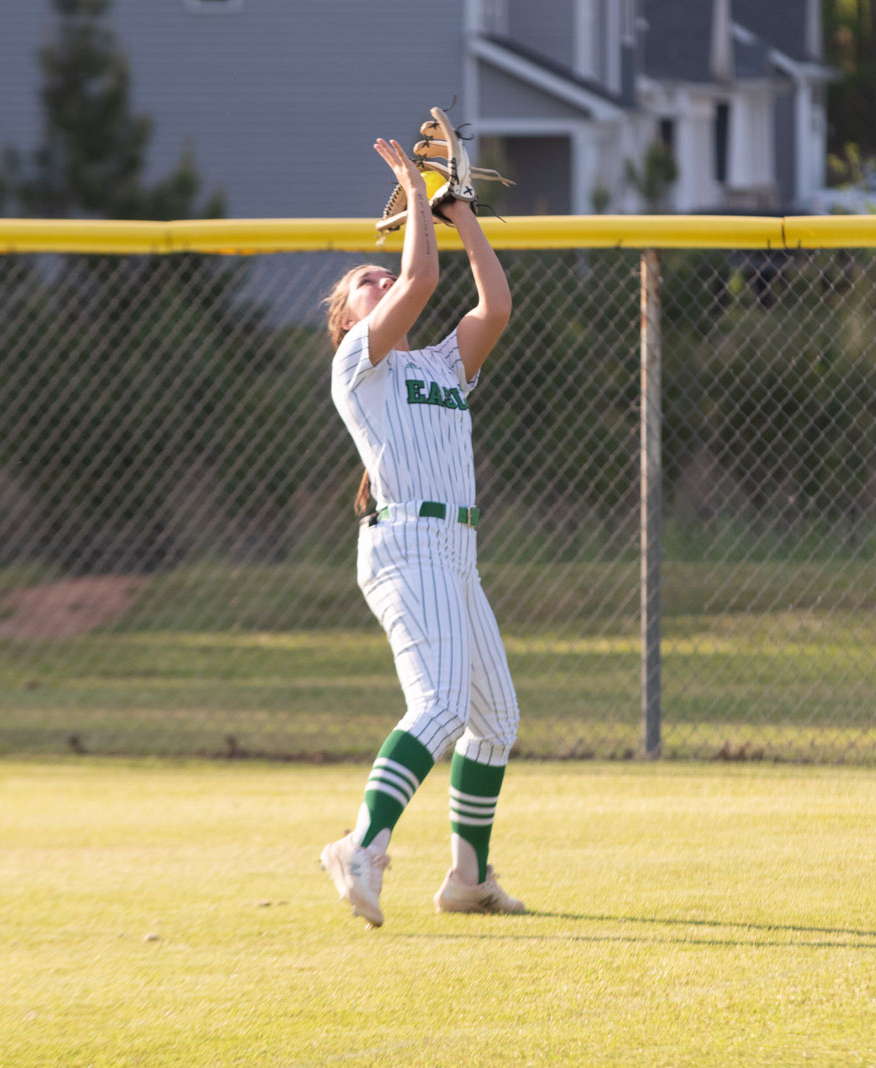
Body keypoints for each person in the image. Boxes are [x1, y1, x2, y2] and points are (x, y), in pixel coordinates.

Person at [318, 137, 524, 928]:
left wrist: (460, 211)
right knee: (438, 705)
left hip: (456, 553)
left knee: (494, 720)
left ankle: (468, 879)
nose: (380, 281)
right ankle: (361, 846)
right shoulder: (357, 365)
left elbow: (494, 308)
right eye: (364, 284)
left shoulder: (439, 365)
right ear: (349, 321)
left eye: (380, 274)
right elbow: (422, 279)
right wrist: (412, 189)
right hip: (404, 545)